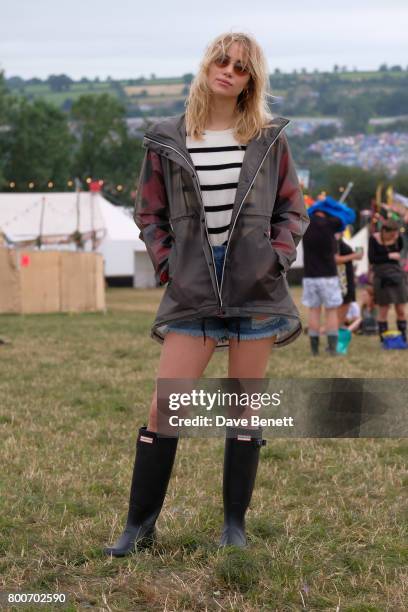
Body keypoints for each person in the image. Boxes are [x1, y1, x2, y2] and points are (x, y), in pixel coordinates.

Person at [103, 31, 309, 557]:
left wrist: (275, 257)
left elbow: (292, 209)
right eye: (222, 60)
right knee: (164, 408)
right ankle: (139, 528)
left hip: (254, 286)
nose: (228, 71)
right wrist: (169, 264)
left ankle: (234, 528)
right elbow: (149, 212)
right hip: (193, 284)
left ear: (250, 80)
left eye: (241, 67)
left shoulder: (267, 137)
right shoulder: (169, 137)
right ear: (207, 65)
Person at [301, 210, 343, 356]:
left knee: (314, 311)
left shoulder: (305, 224)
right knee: (331, 312)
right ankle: (332, 349)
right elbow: (343, 218)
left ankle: (314, 351)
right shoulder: (330, 224)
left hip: (310, 276)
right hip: (328, 276)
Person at [368, 219, 408, 343]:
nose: (394, 236)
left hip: (396, 275)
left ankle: (403, 337)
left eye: (396, 234)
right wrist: (389, 256)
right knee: (383, 310)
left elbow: (400, 252)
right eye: (392, 234)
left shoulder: (398, 238)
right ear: (384, 231)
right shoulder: (374, 239)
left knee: (400, 309)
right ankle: (383, 339)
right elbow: (372, 258)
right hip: (381, 276)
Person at [334, 234, 364, 328]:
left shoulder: (339, 240)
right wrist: (354, 255)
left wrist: (356, 256)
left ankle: (337, 328)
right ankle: (335, 329)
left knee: (346, 304)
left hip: (346, 276)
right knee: (343, 304)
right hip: (342, 277)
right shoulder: (335, 240)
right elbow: (336, 259)